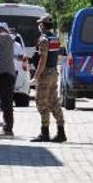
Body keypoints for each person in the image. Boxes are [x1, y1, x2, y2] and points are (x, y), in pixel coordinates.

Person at [30, 14, 66, 143]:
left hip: (45, 74)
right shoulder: (55, 38)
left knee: (41, 102)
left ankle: (44, 132)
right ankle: (61, 131)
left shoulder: (44, 39)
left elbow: (42, 59)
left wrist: (36, 76)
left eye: (40, 23)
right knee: (53, 102)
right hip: (54, 73)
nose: (39, 25)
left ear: (43, 25)